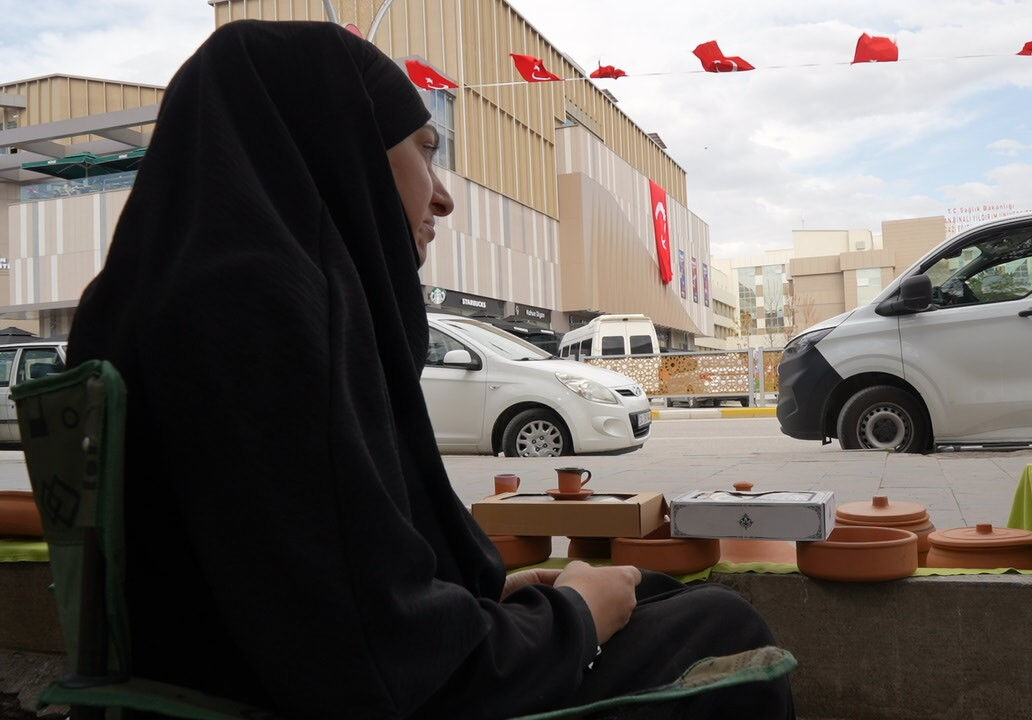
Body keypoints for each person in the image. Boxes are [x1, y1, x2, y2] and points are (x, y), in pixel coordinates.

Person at [66, 20, 791, 720]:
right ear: (338, 146)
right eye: (423, 148)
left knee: (652, 593)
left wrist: (493, 602)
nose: (443, 194)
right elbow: (374, 663)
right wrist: (568, 619)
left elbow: (302, 570)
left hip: (218, 669)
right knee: (723, 629)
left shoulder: (143, 301)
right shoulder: (258, 310)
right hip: (321, 692)